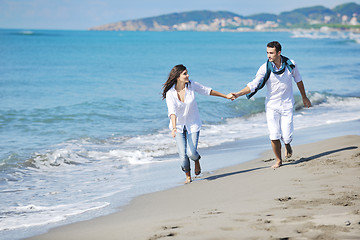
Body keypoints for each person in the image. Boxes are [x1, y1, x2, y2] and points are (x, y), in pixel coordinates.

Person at [232, 41, 311, 168]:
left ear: (279, 53)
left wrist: (304, 97)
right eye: (267, 53)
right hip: (271, 106)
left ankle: (287, 144)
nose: (268, 55)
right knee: (274, 134)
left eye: (271, 53)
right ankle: (278, 160)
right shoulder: (264, 68)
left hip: (287, 105)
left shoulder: (291, 64)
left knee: (286, 135)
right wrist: (238, 94)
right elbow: (254, 84)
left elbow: (299, 80)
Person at [162, 64, 234, 183]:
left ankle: (196, 160)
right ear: (177, 76)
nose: (187, 75)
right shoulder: (170, 93)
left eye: (187, 73)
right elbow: (172, 112)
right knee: (183, 156)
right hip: (178, 127)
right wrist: (174, 128)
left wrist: (225, 96)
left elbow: (208, 91)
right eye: (184, 73)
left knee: (191, 153)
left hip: (193, 124)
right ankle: (188, 176)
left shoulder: (191, 85)